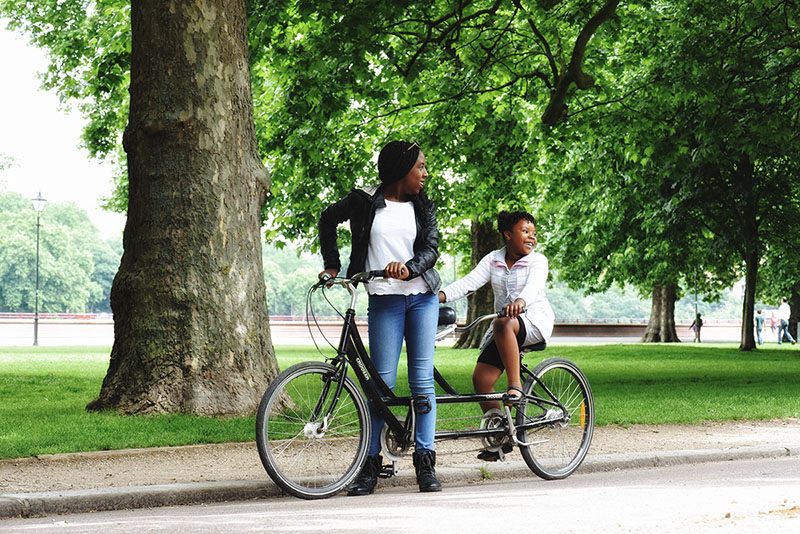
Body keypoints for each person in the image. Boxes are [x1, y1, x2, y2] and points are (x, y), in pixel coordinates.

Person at [318, 140, 442, 494]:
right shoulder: (363, 200)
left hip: (421, 297)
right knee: (379, 385)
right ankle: (370, 466)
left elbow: (431, 248)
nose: (425, 173)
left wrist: (408, 268)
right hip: (384, 300)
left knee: (421, 380)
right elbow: (327, 220)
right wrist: (332, 264)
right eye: (420, 166)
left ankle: (425, 461)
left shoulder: (423, 205)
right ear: (402, 169)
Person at [438, 210, 554, 461]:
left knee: (504, 322)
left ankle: (515, 387)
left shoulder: (538, 261)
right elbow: (468, 283)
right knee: (481, 380)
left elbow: (533, 288)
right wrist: (437, 297)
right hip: (504, 327)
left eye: (534, 233)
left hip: (533, 322)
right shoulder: (493, 260)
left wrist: (521, 301)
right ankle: (501, 438)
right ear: (508, 234)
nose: (531, 237)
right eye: (525, 232)